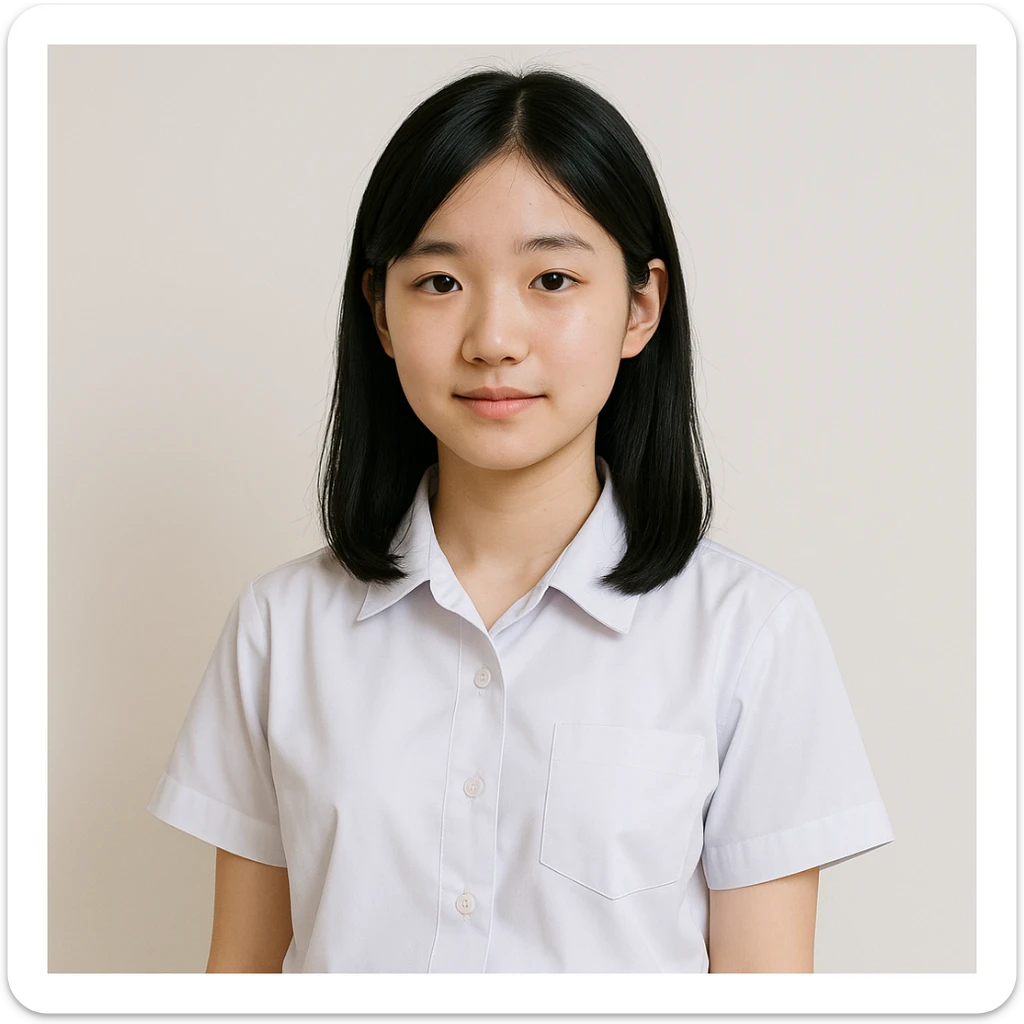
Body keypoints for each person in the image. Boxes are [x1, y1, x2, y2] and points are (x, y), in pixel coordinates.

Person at [147, 65, 894, 974]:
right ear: (379, 311)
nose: (494, 337)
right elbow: (240, 979)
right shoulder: (280, 628)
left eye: (551, 277)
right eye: (438, 282)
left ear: (640, 305)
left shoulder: (752, 636)